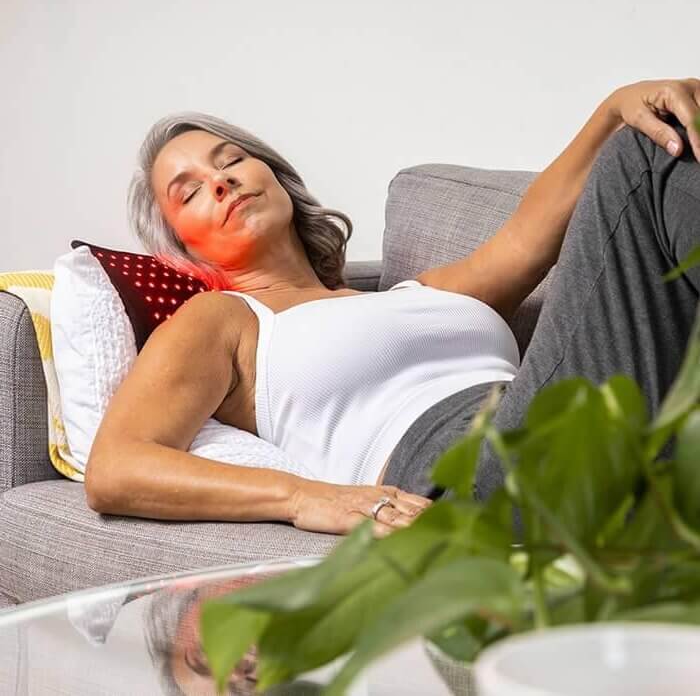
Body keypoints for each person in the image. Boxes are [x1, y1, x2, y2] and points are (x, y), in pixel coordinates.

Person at [85, 78, 700, 539]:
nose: (220, 182)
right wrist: (304, 497)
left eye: (230, 161)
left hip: (560, 424)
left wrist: (614, 108)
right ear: (183, 245)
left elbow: (528, 231)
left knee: (653, 139)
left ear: (273, 175)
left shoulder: (417, 295)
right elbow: (115, 468)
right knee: (640, 156)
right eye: (190, 191)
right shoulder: (222, 319)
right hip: (468, 473)